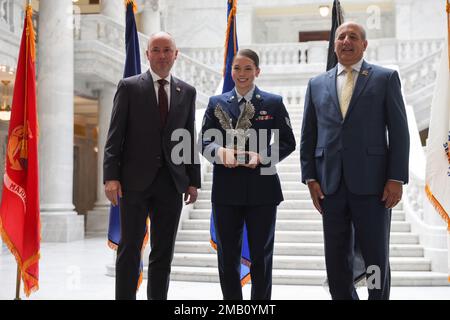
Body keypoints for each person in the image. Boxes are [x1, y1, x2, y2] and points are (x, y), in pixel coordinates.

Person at [300, 22, 410, 300]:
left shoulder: (385, 78)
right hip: (330, 186)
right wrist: (310, 178)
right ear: (334, 44)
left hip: (374, 186)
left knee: (375, 257)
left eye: (353, 37)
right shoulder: (316, 84)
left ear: (364, 45)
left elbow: (399, 132)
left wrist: (396, 178)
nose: (346, 41)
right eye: (341, 37)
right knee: (336, 258)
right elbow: (308, 135)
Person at [103, 32, 200, 300]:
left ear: (176, 54)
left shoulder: (187, 92)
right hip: (133, 183)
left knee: (163, 252)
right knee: (130, 249)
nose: (161, 55)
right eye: (155, 50)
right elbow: (115, 135)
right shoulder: (129, 86)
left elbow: (188, 136)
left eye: (167, 50)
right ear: (147, 54)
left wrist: (193, 179)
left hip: (171, 183)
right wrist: (110, 176)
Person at [201, 49, 296, 300]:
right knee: (227, 258)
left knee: (262, 257)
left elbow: (287, 142)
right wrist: (220, 152)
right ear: (230, 71)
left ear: (257, 71)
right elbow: (203, 142)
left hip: (262, 191)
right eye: (237, 68)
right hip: (225, 192)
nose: (241, 74)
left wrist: (262, 157)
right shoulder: (216, 103)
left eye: (247, 68)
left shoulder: (273, 102)